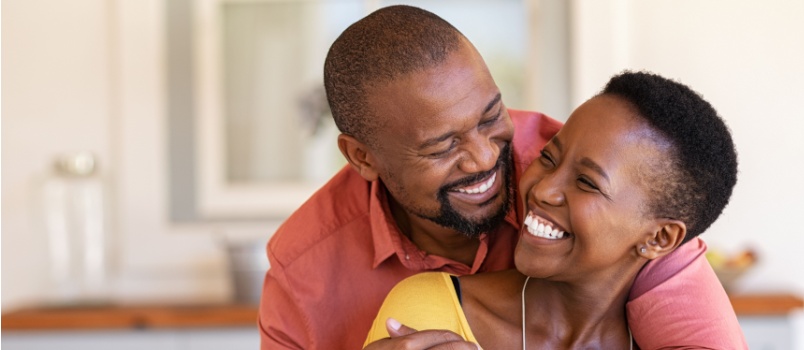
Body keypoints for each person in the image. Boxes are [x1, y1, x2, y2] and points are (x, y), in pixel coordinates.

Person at [259, 5, 745, 349]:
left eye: (491, 116)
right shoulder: (304, 270)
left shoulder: (579, 171)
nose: (483, 158)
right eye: (442, 145)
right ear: (362, 158)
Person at [364, 71, 744, 349]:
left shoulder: (678, 342)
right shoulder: (431, 308)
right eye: (548, 157)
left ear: (659, 238)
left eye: (587, 183)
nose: (543, 189)